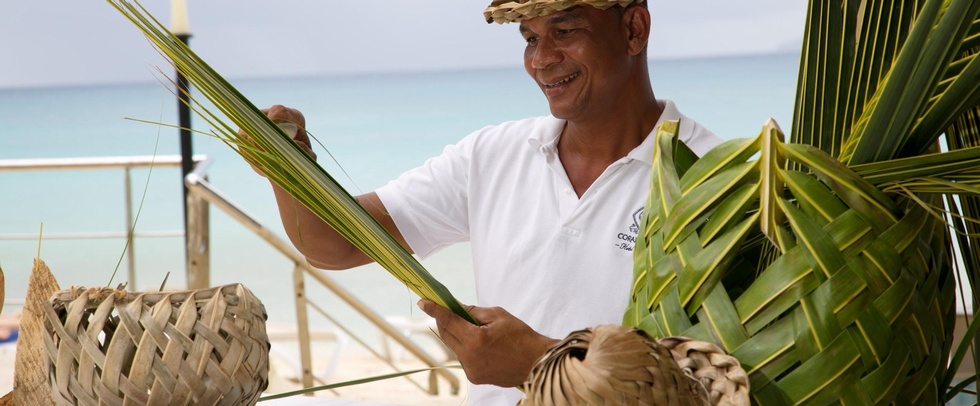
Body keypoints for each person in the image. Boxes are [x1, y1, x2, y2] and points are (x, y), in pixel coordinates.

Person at [253, 0, 721, 404]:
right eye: (530, 37)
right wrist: (288, 168)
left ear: (633, 29)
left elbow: (718, 385)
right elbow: (335, 244)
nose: (542, 58)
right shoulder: (491, 156)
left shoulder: (712, 179)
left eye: (564, 30)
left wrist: (537, 361)